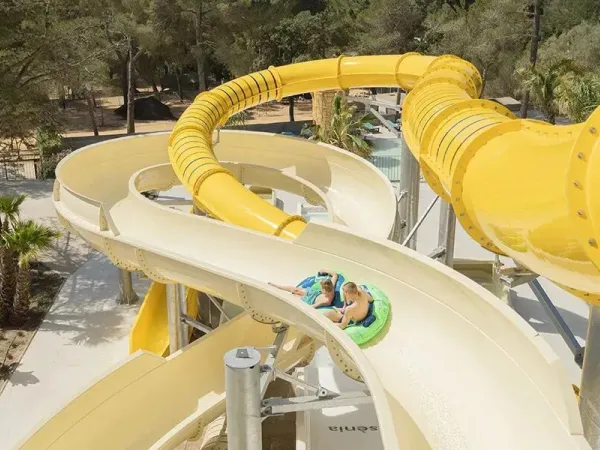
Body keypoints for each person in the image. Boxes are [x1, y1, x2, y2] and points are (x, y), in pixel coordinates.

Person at [269, 269, 338, 308]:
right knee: (296, 290)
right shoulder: (331, 285)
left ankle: (278, 298)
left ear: (324, 290)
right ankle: (276, 286)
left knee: (293, 297)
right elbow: (335, 274)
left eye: (321, 288)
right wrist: (323, 270)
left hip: (310, 300)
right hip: (314, 293)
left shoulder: (326, 301)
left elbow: (313, 306)